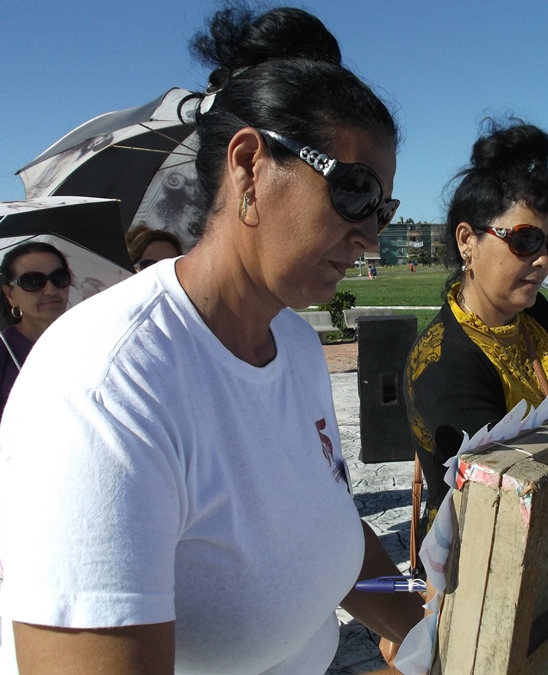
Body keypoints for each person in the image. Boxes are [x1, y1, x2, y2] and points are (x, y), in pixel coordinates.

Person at [0, 7, 420, 674]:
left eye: (383, 208)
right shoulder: (107, 387)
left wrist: (431, 604)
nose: (371, 235)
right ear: (250, 165)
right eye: (355, 191)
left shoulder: (298, 349)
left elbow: (334, 545)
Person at [404, 121, 548, 533]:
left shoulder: (534, 313)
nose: (544, 259)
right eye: (526, 240)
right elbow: (508, 492)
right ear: (467, 242)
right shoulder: (445, 363)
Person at [0, 242, 71, 416]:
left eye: (59, 277)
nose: (50, 290)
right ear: (10, 294)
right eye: (33, 282)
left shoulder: (95, 340)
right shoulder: (4, 348)